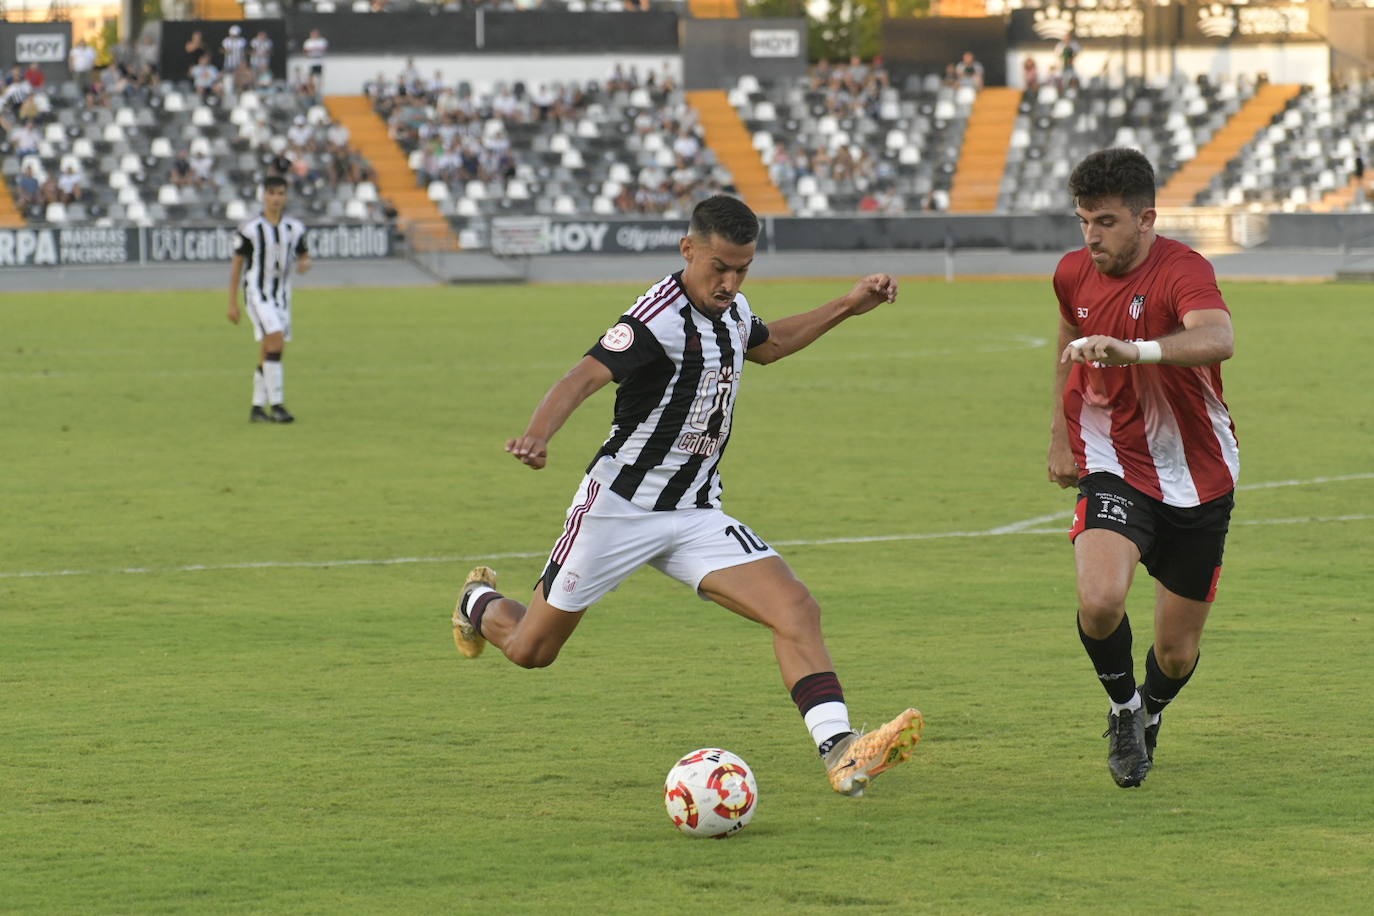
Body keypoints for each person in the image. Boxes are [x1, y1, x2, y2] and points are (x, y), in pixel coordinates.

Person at [450, 195, 923, 798]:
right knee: (530, 650)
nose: (729, 282)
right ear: (688, 250)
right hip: (618, 510)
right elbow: (583, 374)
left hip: (696, 511)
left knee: (796, 609)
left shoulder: (732, 309)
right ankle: (477, 601)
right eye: (718, 267)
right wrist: (538, 436)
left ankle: (840, 749)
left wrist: (848, 306)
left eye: (742, 269)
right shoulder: (656, 318)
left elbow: (769, 343)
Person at [1047, 148, 1238, 789]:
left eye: (1104, 222)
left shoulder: (1182, 268)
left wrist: (1138, 350)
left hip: (1199, 473)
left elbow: (1219, 337)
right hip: (1113, 460)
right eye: (1082, 221)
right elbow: (1066, 338)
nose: (1090, 237)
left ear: (1146, 218)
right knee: (1100, 600)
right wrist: (1058, 434)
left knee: (1176, 653)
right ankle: (1125, 707)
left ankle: (1150, 712)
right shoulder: (1072, 273)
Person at [227, 176, 311, 424]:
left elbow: (304, 254)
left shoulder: (294, 228)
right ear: (263, 195)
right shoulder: (250, 228)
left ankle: (256, 408)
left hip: (282, 296)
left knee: (269, 349)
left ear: (286, 196)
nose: (276, 198)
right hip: (257, 294)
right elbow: (237, 265)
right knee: (275, 341)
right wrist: (232, 302)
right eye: (272, 193)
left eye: (280, 193)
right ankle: (278, 405)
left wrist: (306, 263)